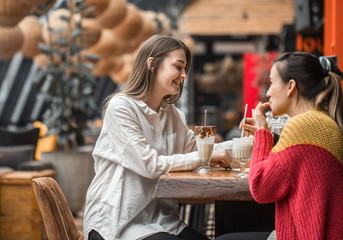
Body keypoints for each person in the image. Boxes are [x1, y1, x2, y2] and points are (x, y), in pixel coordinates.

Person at [83, 35, 232, 240]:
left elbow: (195, 148)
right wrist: (208, 156)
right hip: (117, 222)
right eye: (178, 67)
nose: (184, 76)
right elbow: (150, 164)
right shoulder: (121, 108)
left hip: (162, 219)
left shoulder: (172, 114)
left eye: (185, 69)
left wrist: (248, 142)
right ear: (152, 64)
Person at [218, 52, 343, 240]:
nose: (267, 93)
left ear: (291, 86)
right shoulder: (321, 120)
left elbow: (260, 188)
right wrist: (266, 133)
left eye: (271, 82)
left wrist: (262, 132)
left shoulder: (301, 125)